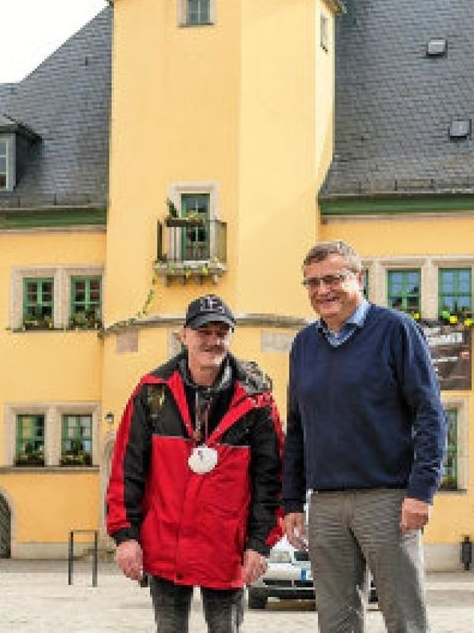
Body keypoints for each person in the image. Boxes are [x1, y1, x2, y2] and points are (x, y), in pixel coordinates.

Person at [282, 240, 448, 633]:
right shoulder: (303, 345)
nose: (323, 291)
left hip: (388, 500)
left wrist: (421, 491)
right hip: (325, 504)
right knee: (336, 621)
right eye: (312, 283)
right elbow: (298, 426)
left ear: (359, 278)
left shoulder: (396, 330)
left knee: (404, 618)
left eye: (333, 279)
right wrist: (292, 500)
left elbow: (430, 416)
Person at [106, 294, 284, 633]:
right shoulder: (151, 392)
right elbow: (126, 468)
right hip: (165, 544)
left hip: (227, 549)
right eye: (204, 332)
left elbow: (271, 478)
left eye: (221, 332)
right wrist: (125, 536)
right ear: (183, 336)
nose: (213, 341)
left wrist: (260, 543)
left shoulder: (257, 400)